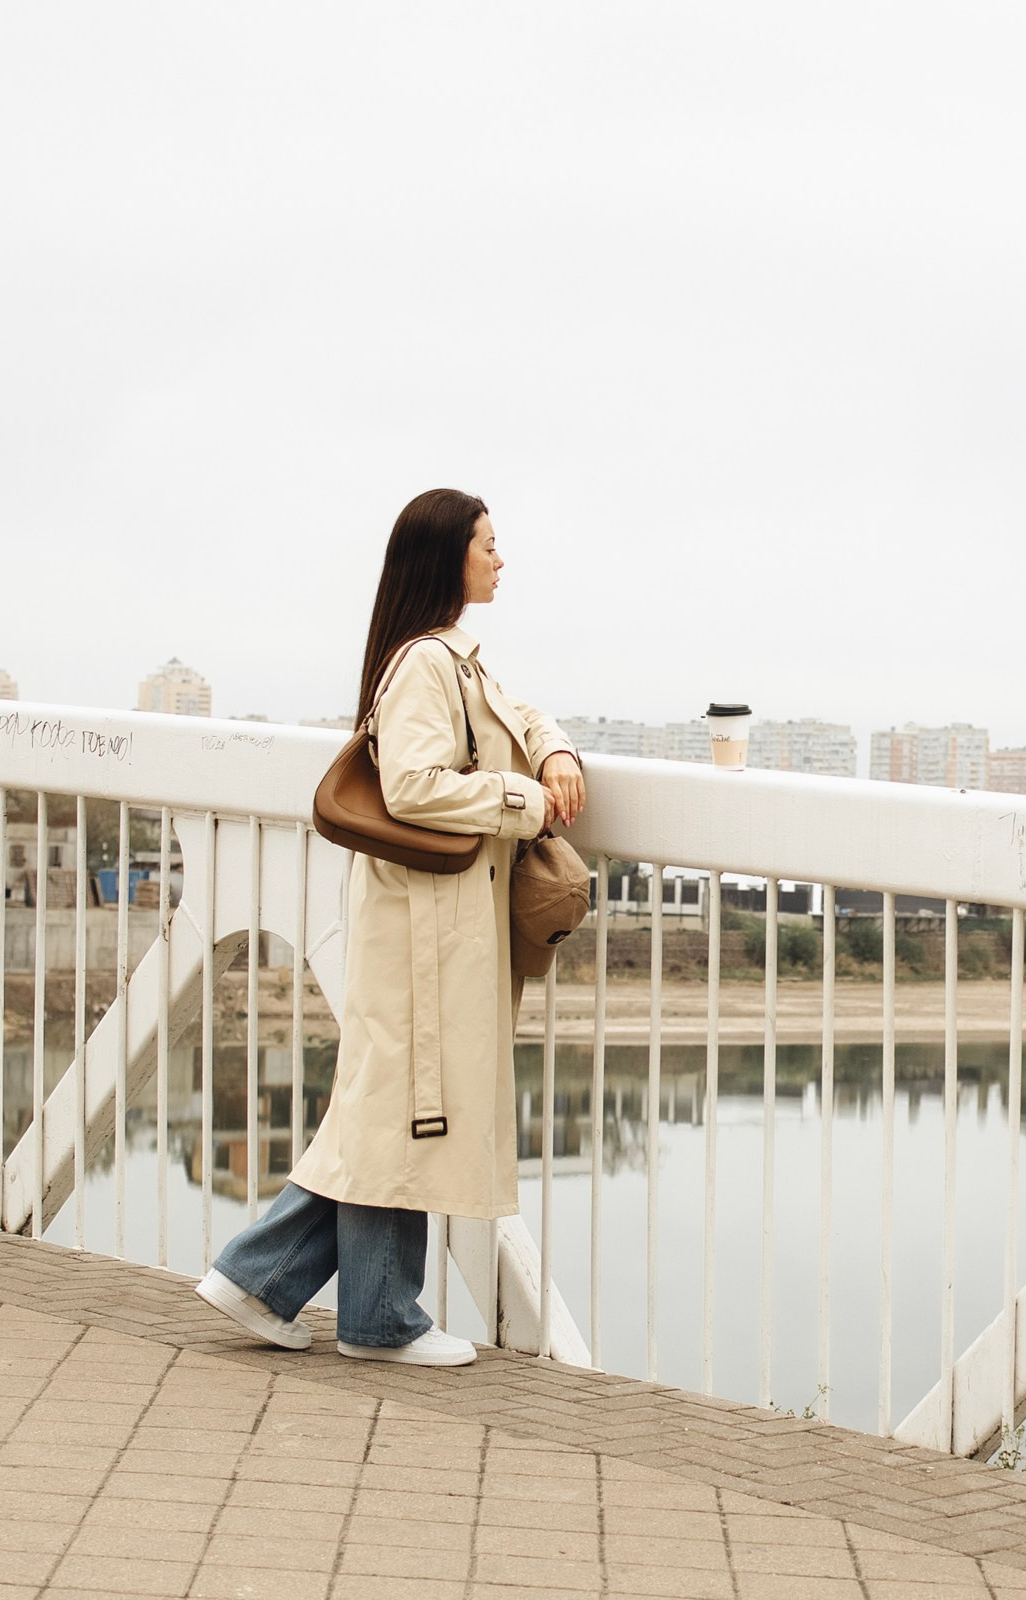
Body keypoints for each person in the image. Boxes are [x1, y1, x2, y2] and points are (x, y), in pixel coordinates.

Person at [195, 487, 586, 1365]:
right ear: (448, 555)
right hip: (422, 929)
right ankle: (360, 1312)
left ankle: (282, 1285)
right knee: (397, 1112)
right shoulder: (424, 664)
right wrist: (524, 797)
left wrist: (553, 746)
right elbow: (412, 785)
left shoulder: (452, 660)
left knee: (396, 1112)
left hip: (432, 926)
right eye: (488, 543)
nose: (500, 557)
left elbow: (513, 716)